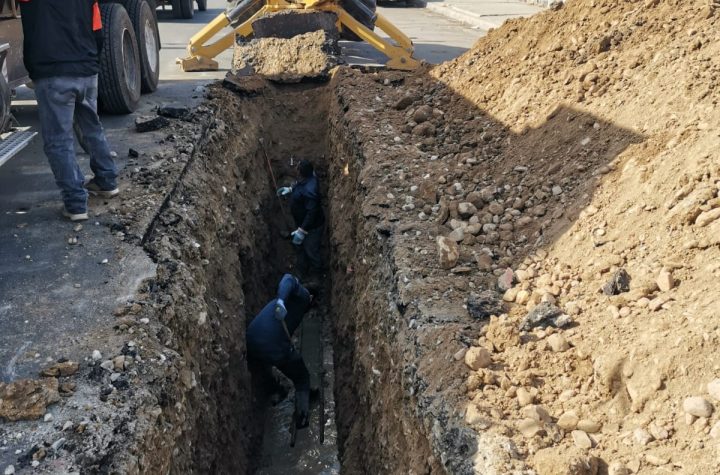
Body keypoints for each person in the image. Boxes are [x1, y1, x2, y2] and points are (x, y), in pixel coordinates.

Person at [19, 0, 119, 222]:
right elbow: (98, 32)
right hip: (86, 70)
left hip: (53, 73)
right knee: (92, 128)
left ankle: (75, 204)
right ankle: (107, 181)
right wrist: (90, 62)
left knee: (58, 141)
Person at [246, 273, 313, 428]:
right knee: (302, 378)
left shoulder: (294, 305)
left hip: (252, 340)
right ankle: (302, 418)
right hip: (272, 344)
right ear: (312, 297)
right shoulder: (304, 296)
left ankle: (275, 389)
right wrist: (281, 301)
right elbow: (288, 278)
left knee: (266, 364)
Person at [277, 159, 324, 279]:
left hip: (312, 228)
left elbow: (312, 213)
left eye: (297, 168)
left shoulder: (310, 191)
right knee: (302, 248)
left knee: (311, 251)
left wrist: (302, 231)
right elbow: (300, 185)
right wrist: (290, 190)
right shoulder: (308, 179)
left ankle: (317, 277)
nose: (295, 169)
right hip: (303, 222)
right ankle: (302, 269)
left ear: (301, 172)